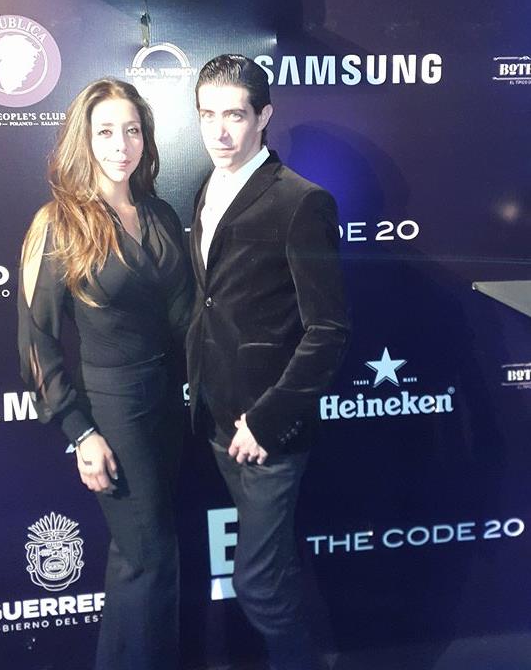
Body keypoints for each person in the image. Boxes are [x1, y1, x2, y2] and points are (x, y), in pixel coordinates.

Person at [18, 78, 192, 670]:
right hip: (114, 412)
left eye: (132, 130)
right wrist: (81, 432)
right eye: (106, 132)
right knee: (151, 558)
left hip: (168, 407)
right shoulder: (57, 223)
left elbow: (187, 320)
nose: (122, 144)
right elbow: (37, 344)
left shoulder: (159, 213)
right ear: (84, 140)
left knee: (137, 559)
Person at [187, 54, 350, 670]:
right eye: (208, 115)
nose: (220, 131)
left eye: (234, 115)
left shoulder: (301, 201)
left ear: (264, 116)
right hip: (215, 420)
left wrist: (267, 420)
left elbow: (328, 329)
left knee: (258, 585)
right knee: (273, 573)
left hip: (267, 433)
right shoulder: (207, 188)